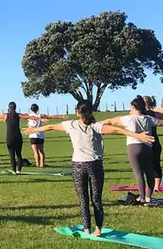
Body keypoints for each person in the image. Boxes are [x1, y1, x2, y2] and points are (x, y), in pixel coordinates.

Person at [24, 101, 154, 236]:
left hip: (78, 166)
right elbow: (117, 130)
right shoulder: (96, 126)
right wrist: (139, 136)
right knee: (96, 199)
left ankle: (87, 229)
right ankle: (97, 230)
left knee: (83, 200)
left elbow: (50, 126)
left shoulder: (71, 124)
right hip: (94, 165)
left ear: (77, 112)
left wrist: (34, 130)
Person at [102, 97, 163, 201]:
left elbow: (111, 121)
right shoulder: (148, 118)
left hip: (133, 147)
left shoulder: (129, 118)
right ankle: (148, 197)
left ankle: (141, 197)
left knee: (138, 174)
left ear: (133, 107)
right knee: (149, 172)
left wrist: (96, 124)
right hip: (147, 147)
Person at [25, 104, 66, 168]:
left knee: (35, 151)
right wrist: (61, 116)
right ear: (37, 109)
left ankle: (37, 164)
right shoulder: (40, 115)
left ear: (31, 109)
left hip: (32, 135)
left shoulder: (29, 116)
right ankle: (42, 164)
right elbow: (50, 116)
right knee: (41, 151)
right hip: (40, 135)